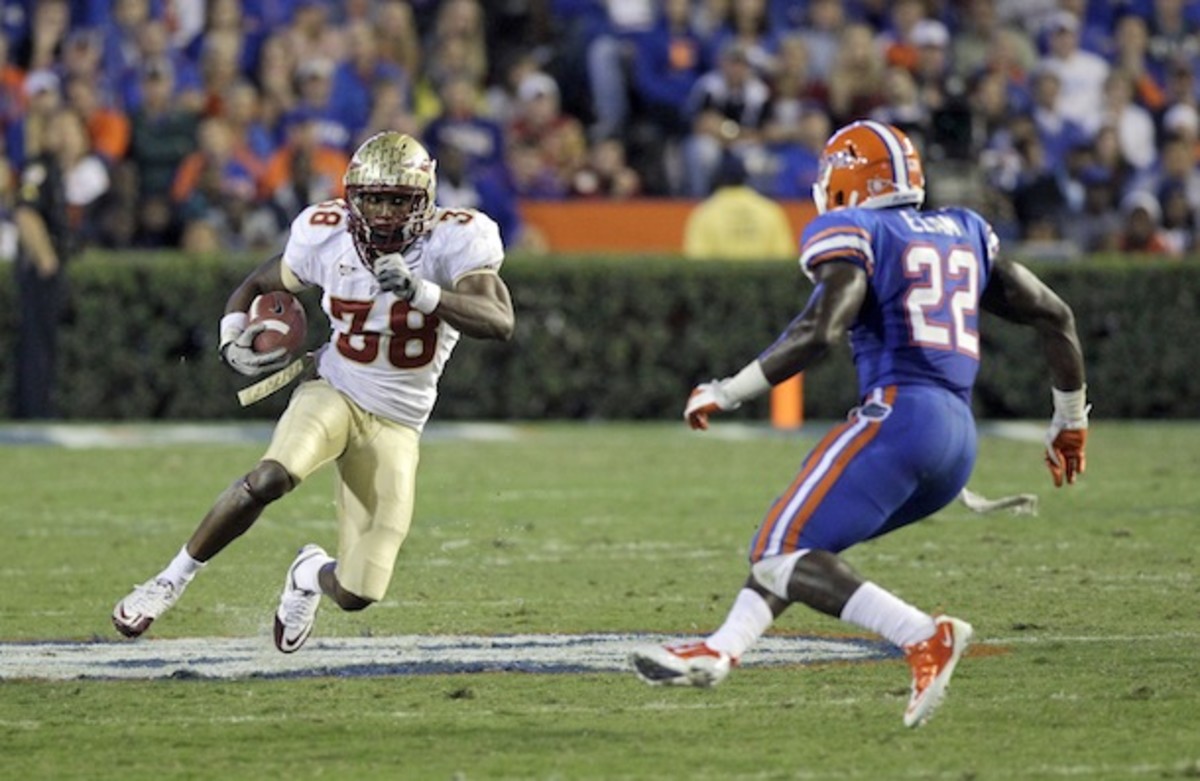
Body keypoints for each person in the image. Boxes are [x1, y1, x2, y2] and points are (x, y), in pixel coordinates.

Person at [630, 120, 1089, 728]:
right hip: (957, 442)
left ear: (846, 182)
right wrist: (1070, 421)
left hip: (901, 420)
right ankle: (722, 648)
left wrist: (727, 389)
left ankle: (924, 636)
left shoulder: (859, 229)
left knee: (778, 548)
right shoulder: (965, 231)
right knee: (800, 546)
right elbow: (1056, 317)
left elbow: (821, 330)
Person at [112, 132, 516, 653]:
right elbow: (256, 284)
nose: (386, 213)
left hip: (398, 423)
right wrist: (232, 335)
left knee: (357, 591)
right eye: (373, 199)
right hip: (335, 387)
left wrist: (424, 292)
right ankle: (169, 580)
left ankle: (307, 574)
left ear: (425, 201)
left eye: (399, 200)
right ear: (352, 197)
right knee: (273, 476)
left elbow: (499, 320)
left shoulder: (457, 238)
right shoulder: (325, 233)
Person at [682, 154, 794, 260]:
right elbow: (783, 257)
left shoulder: (705, 213)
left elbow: (697, 261)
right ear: (746, 177)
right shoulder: (769, 210)